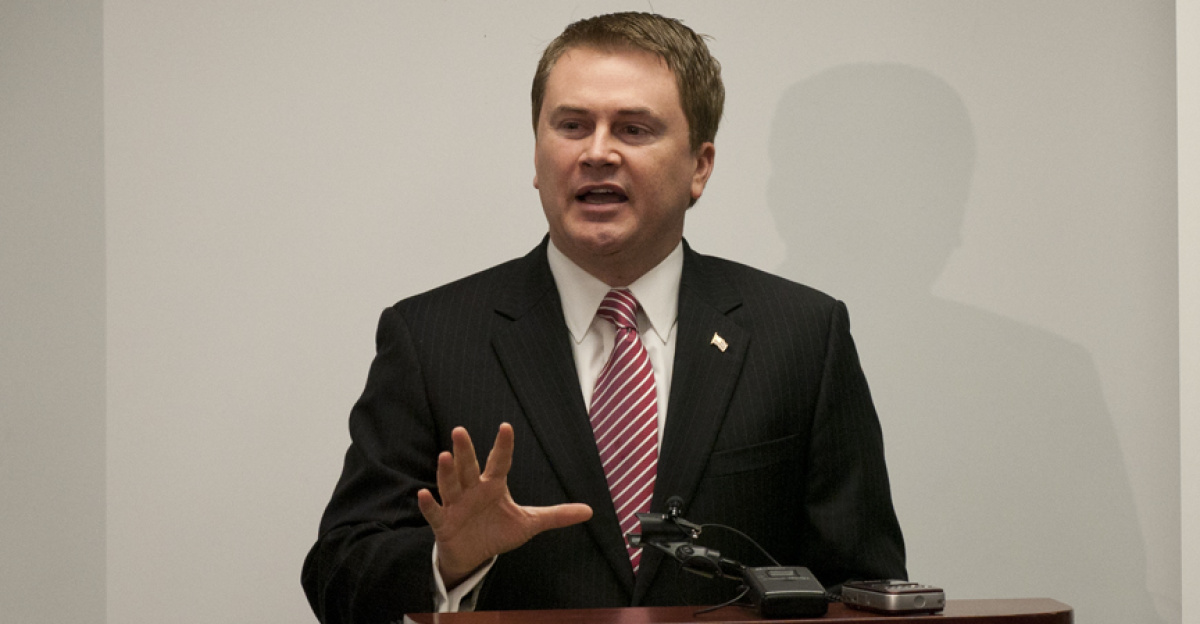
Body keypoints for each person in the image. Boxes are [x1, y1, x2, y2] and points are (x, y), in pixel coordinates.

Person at [302, 12, 905, 623]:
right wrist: (448, 561)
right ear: (536, 156)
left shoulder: (803, 335)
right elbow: (337, 574)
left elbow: (864, 586)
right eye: (571, 126)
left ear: (699, 167)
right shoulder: (431, 338)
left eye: (633, 129)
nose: (596, 152)